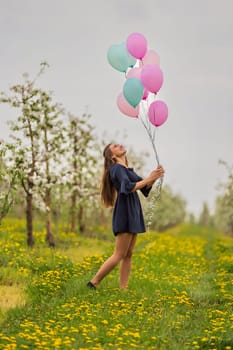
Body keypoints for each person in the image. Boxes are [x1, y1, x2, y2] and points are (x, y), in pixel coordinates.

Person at [87, 143, 164, 290]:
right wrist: (149, 178)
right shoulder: (116, 169)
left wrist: (155, 176)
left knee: (128, 253)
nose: (120, 145)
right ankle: (93, 283)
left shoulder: (126, 170)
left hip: (132, 210)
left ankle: (124, 288)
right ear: (112, 156)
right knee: (119, 253)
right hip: (125, 211)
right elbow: (128, 187)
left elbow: (144, 188)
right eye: (115, 146)